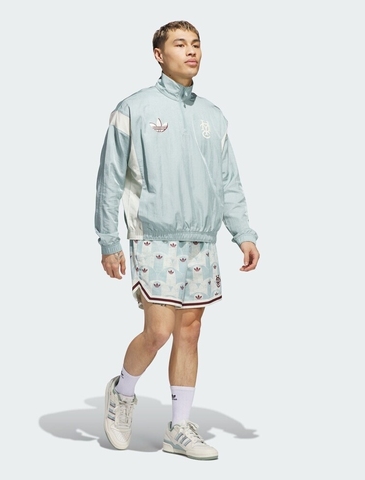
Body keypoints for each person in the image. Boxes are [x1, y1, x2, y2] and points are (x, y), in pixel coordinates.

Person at [94, 20, 260, 461]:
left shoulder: (213, 116)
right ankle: (122, 392)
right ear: (159, 54)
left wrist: (242, 232)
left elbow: (228, 182)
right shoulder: (134, 109)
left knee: (191, 330)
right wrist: (108, 239)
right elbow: (109, 179)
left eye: (196, 44)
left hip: (202, 238)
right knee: (159, 331)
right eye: (180, 44)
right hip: (154, 236)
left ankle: (179, 427)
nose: (191, 51)